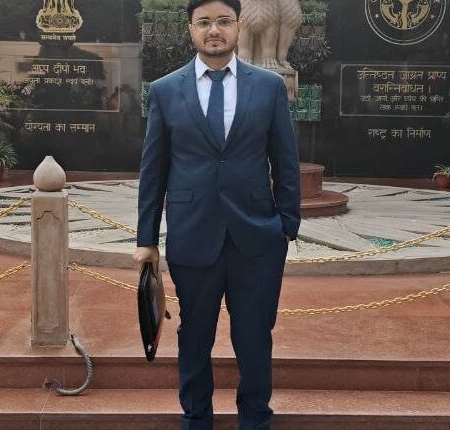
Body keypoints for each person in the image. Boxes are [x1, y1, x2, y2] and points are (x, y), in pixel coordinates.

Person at [133, 0, 301, 428]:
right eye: (204, 22)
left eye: (224, 21)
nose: (214, 30)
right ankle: (196, 417)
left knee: (254, 337)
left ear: (238, 27)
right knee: (194, 336)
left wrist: (287, 225)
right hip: (193, 235)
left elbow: (285, 160)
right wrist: (146, 240)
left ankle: (256, 418)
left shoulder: (268, 87)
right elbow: (154, 170)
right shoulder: (165, 90)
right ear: (190, 29)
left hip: (257, 239)